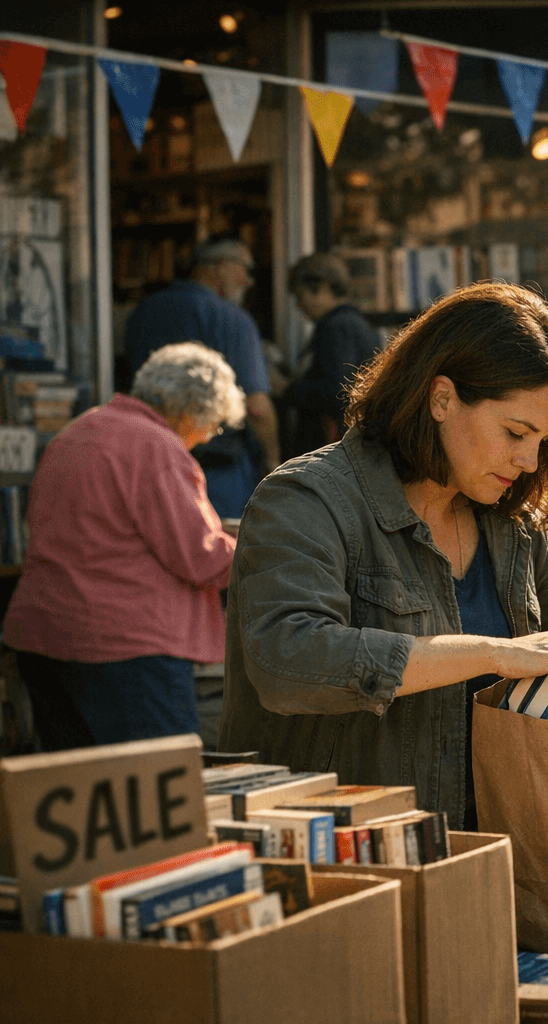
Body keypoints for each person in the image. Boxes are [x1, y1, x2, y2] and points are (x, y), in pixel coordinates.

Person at [219, 283, 548, 830]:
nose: (529, 460)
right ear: (442, 398)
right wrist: (493, 653)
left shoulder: (511, 519)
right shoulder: (306, 499)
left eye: (544, 441)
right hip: (348, 855)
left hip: (496, 849)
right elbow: (287, 661)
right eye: (516, 432)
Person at [4, 343, 242, 749]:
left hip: (45, 638)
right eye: (215, 425)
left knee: (79, 790)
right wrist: (269, 552)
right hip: (126, 648)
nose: (207, 437)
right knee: (157, 791)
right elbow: (200, 557)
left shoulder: (77, 432)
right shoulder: (157, 447)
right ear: (191, 411)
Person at [124, 236, 279, 518]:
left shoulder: (142, 313)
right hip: (220, 470)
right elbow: (257, 408)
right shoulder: (233, 320)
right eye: (245, 269)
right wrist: (273, 463)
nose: (248, 281)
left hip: (145, 463)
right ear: (220, 267)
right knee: (222, 550)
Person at [285, 252, 383, 456]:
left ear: (322, 287)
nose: (298, 305)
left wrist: (287, 389)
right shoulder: (355, 323)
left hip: (333, 446)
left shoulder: (335, 327)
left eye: (300, 296)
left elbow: (336, 391)